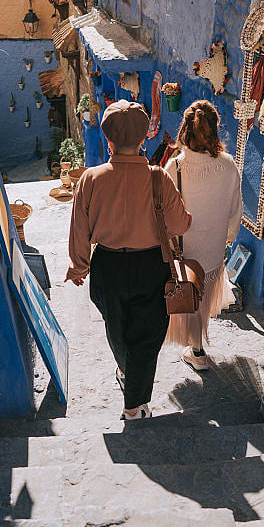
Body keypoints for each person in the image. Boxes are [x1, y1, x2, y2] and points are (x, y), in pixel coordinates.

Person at [66, 100, 192, 420]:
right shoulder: (158, 178)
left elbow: (79, 230)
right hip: (151, 266)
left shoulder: (90, 180)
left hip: (107, 267)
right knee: (146, 337)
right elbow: (180, 225)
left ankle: (129, 382)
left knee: (118, 329)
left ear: (109, 141)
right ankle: (134, 405)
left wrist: (79, 266)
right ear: (144, 139)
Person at [163, 100, 242, 371]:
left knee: (189, 295)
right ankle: (196, 347)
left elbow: (162, 209)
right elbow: (235, 210)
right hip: (213, 248)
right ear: (215, 130)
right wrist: (228, 235)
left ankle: (196, 351)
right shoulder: (229, 165)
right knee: (203, 297)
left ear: (185, 130)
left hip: (186, 249)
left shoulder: (175, 168)